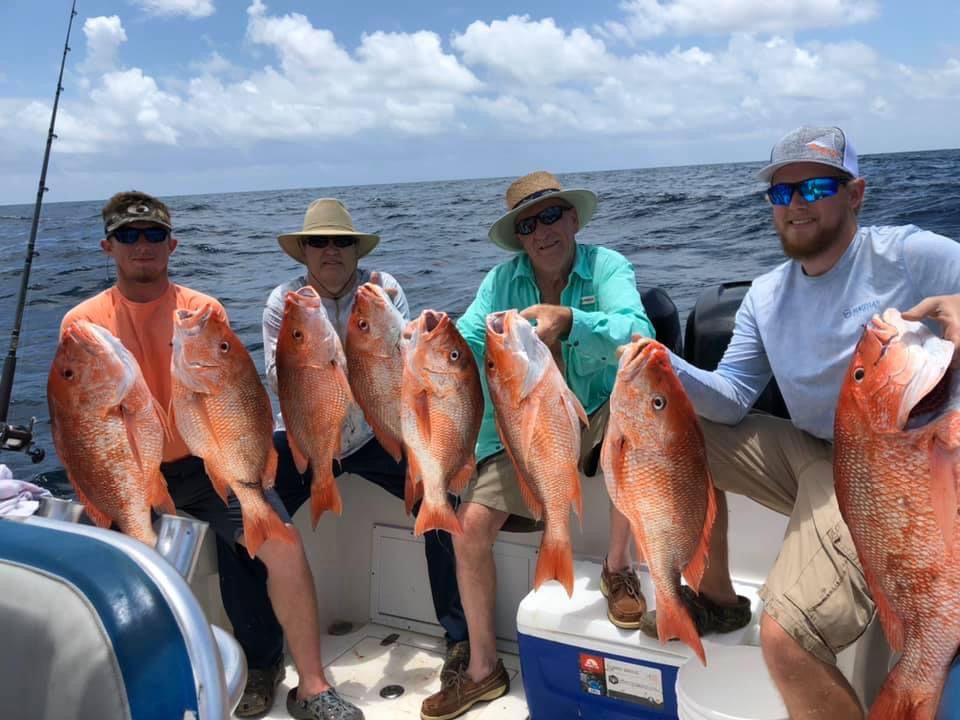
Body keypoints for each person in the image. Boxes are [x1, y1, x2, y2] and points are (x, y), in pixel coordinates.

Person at [639, 126, 960, 718]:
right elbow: (733, 397)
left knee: (785, 638)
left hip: (897, 470)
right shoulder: (765, 295)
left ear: (855, 193)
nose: (795, 205)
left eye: (813, 187)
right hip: (815, 452)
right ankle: (713, 596)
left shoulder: (915, 255)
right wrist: (663, 367)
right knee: (657, 426)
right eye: (780, 194)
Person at [58, 191, 364, 720]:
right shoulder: (83, 325)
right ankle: (143, 690)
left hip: (207, 463)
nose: (142, 245)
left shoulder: (202, 311)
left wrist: (241, 468)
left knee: (284, 546)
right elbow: (76, 426)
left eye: (153, 235)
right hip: (129, 469)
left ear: (172, 244)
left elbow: (241, 399)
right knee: (115, 575)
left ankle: (313, 687)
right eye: (129, 236)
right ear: (109, 247)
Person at [420, 171, 656, 720]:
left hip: (595, 412)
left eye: (552, 216)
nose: (543, 231)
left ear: (572, 218)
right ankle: (483, 668)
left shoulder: (609, 267)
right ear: (519, 236)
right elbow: (473, 336)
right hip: (530, 422)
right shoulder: (501, 282)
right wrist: (437, 335)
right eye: (529, 224)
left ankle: (617, 567)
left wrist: (571, 321)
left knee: (638, 415)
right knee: (469, 528)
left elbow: (637, 331)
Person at [220, 197, 467, 711]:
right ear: (303, 252)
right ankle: (262, 664)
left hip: (378, 432)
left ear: (356, 249)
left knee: (440, 499)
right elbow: (281, 380)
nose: (331, 250)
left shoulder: (384, 289)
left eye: (342, 242)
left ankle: (459, 640)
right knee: (244, 516)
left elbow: (404, 363)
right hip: (308, 435)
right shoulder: (282, 303)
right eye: (319, 242)